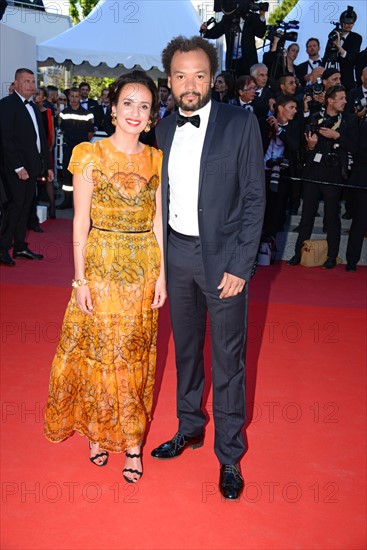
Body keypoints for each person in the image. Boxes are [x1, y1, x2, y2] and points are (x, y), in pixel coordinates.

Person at [150, 35, 265, 501]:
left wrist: (241, 264)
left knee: (229, 361)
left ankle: (230, 455)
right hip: (176, 255)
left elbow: (256, 197)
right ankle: (189, 427)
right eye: (180, 75)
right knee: (186, 352)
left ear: (212, 77)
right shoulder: (162, 129)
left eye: (198, 74)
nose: (189, 83)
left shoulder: (241, 123)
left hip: (224, 261)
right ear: (170, 80)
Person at [44, 70, 167, 483]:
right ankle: (97, 431)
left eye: (144, 106)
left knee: (133, 356)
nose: (135, 112)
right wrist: (79, 280)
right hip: (101, 261)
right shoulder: (88, 154)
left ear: (151, 116)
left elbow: (158, 222)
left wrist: (162, 276)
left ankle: (132, 441)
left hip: (143, 267)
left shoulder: (155, 158)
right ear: (113, 109)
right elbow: (79, 222)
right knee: (100, 353)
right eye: (128, 103)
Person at [287, 85, 359, 269]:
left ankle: (331, 256)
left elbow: (355, 147)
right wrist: (310, 146)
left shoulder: (348, 121)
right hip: (313, 174)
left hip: (334, 175)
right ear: (330, 100)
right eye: (341, 98)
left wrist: (337, 136)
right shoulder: (314, 118)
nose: (345, 101)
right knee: (307, 216)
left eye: (345, 98)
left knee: (332, 217)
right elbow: (302, 149)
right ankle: (298, 253)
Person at [0, 68, 53, 266]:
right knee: (13, 208)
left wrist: (47, 165)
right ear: (17, 83)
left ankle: (20, 246)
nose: (33, 85)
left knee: (25, 208)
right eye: (28, 81)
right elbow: (6, 139)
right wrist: (17, 167)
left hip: (32, 168)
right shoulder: (7, 105)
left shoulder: (34, 108)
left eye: (33, 81)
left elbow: (41, 140)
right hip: (16, 169)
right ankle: (3, 247)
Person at [200, 1, 267, 76]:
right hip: (232, 62)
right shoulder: (227, 18)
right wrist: (205, 30)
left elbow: (260, 33)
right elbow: (216, 32)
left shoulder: (252, 17)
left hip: (249, 61)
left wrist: (262, 16)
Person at [57, 87, 94, 209]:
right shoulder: (64, 113)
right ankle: (67, 200)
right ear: (69, 97)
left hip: (81, 150)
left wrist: (81, 145)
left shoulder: (87, 114)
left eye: (76, 96)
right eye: (72, 96)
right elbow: (62, 128)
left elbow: (90, 133)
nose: (74, 99)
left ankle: (81, 203)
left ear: (80, 97)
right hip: (68, 148)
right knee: (67, 175)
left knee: (81, 175)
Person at [322, 6, 362, 91]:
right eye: (346, 22)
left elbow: (352, 58)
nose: (349, 25)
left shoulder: (356, 38)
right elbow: (326, 56)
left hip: (346, 81)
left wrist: (339, 47)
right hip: (331, 81)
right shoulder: (333, 35)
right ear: (342, 22)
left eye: (351, 23)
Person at [34, 86, 56, 219]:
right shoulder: (29, 110)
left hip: (46, 150)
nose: (35, 96)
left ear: (43, 98)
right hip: (33, 151)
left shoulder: (48, 112)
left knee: (49, 179)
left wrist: (48, 150)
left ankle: (52, 206)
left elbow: (52, 133)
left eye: (38, 94)